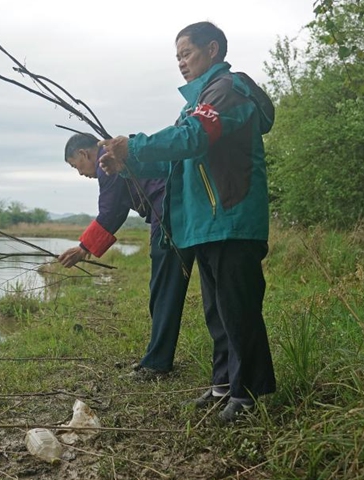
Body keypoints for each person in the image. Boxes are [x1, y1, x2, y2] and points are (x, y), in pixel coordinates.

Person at [98, 21, 277, 423]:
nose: (180, 62)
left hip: (232, 217)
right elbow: (176, 156)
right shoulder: (197, 101)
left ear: (212, 49)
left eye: (187, 53)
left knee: (238, 308)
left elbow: (195, 137)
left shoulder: (227, 91)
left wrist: (134, 143)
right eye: (177, 56)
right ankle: (222, 386)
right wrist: (129, 161)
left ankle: (246, 396)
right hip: (206, 223)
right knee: (217, 310)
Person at [58, 132, 195, 380]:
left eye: (75, 166)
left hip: (168, 212)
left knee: (163, 290)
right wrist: (86, 247)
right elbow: (119, 209)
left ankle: (157, 364)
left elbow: (111, 211)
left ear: (84, 154)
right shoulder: (116, 156)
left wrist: (83, 249)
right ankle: (158, 358)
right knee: (165, 288)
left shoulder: (105, 162)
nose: (79, 173)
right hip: (177, 208)